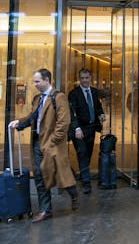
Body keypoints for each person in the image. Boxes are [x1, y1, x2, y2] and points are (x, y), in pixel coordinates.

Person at [8, 68, 78, 223]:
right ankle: (45, 209)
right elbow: (33, 117)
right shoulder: (37, 99)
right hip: (38, 142)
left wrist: (52, 141)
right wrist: (19, 122)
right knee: (39, 175)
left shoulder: (59, 98)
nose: (35, 84)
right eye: (34, 81)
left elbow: (64, 122)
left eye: (37, 81)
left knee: (60, 173)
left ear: (47, 80)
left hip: (52, 144)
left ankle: (73, 193)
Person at [68, 68, 106, 194]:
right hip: (79, 130)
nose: (84, 80)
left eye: (87, 78)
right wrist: (77, 128)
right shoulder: (73, 94)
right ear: (79, 79)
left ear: (90, 79)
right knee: (82, 153)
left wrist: (101, 114)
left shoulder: (94, 92)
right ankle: (86, 182)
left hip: (91, 128)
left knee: (88, 154)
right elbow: (71, 114)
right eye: (82, 78)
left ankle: (84, 174)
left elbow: (98, 107)